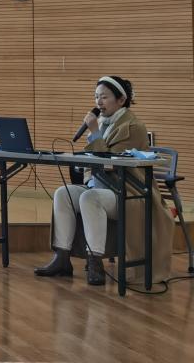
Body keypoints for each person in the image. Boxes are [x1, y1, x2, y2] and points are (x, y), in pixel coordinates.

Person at [34, 75, 174, 285]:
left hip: (129, 192)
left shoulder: (133, 127)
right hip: (101, 187)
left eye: (104, 97)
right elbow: (92, 160)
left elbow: (109, 162)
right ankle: (62, 257)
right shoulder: (102, 123)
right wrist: (85, 171)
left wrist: (94, 132)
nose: (98, 102)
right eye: (96, 97)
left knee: (90, 198)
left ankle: (95, 262)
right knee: (63, 193)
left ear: (121, 100)